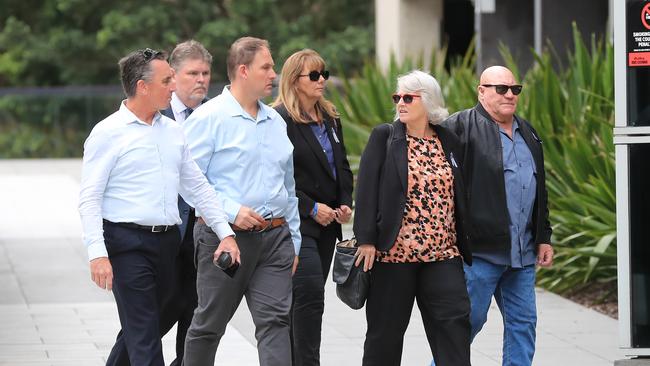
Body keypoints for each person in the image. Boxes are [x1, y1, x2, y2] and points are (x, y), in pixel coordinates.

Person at [78, 48, 239, 366]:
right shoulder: (107, 133)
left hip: (168, 244)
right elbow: (89, 197)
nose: (172, 86)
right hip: (127, 245)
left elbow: (197, 187)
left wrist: (226, 232)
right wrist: (97, 253)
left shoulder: (173, 132)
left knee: (146, 327)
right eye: (167, 80)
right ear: (143, 86)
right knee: (144, 338)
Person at [182, 36, 301, 366]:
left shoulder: (276, 121)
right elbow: (188, 182)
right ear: (243, 70)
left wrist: (294, 239)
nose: (273, 74)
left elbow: (287, 187)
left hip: (276, 240)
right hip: (225, 240)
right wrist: (231, 211)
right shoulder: (208, 119)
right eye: (267, 67)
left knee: (276, 323)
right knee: (209, 326)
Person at [353, 70, 472, 366]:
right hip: (394, 256)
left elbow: (461, 192)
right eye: (398, 97)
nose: (400, 103)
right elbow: (366, 190)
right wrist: (366, 239)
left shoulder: (449, 140)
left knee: (454, 330)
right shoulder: (386, 136)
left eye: (409, 97)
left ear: (428, 101)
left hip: (443, 255)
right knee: (385, 337)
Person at [441, 65, 554, 366]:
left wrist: (544, 236)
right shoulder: (459, 127)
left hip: (522, 254)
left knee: (523, 325)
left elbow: (538, 188)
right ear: (481, 91)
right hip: (479, 254)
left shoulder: (527, 131)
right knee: (467, 325)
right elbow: (442, 187)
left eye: (514, 89)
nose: (509, 95)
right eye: (500, 89)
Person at [272, 49, 354, 366]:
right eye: (314, 75)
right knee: (308, 299)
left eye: (324, 74)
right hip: (297, 223)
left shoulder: (331, 117)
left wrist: (345, 202)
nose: (322, 81)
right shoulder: (279, 119)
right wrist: (311, 207)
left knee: (305, 301)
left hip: (328, 225)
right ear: (294, 80)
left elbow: (342, 167)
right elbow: (278, 177)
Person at [158, 39, 212, 366]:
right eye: (192, 73)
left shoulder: (217, 115)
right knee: (153, 317)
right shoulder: (154, 114)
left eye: (205, 72)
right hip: (163, 232)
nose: (201, 79)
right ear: (173, 77)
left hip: (204, 232)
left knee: (196, 318)